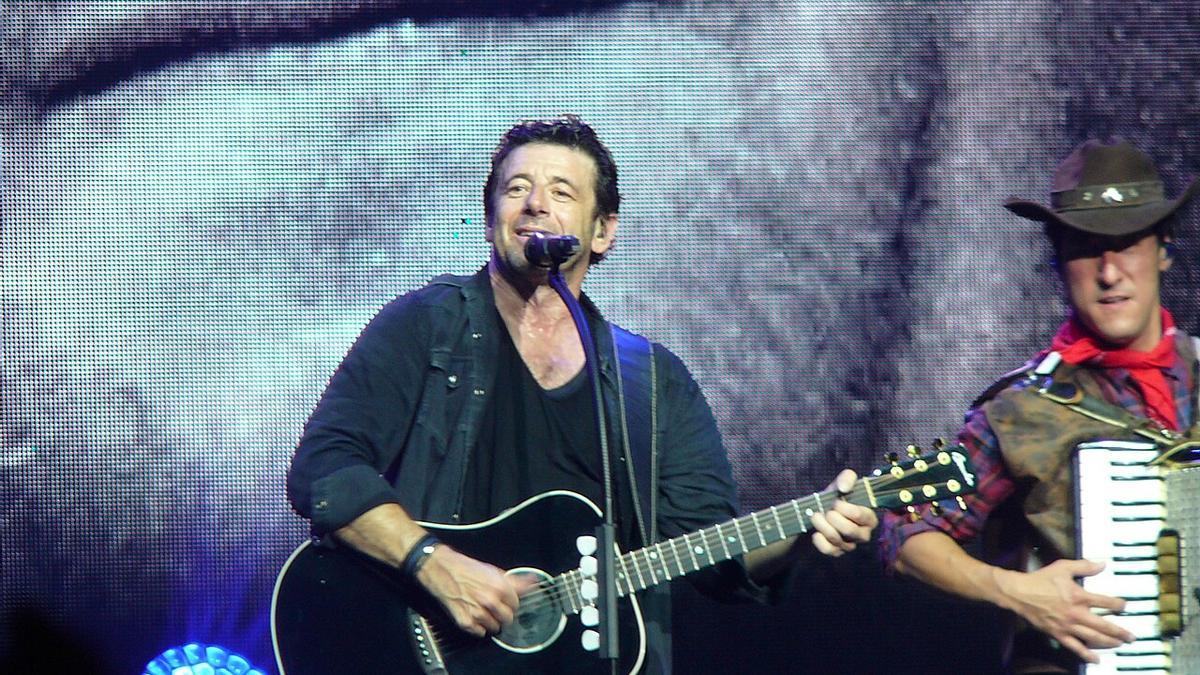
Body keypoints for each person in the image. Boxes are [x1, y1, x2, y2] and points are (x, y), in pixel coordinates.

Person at [286, 115, 878, 672]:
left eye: (561, 192)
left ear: (602, 232)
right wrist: (432, 564)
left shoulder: (653, 384)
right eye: (517, 187)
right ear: (492, 216)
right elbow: (325, 468)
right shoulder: (428, 325)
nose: (535, 203)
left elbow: (713, 552)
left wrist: (804, 529)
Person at [880, 138, 1198, 673]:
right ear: (1057, 260)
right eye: (1085, 246)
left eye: (1128, 243)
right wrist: (1015, 591)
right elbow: (904, 531)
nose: (1110, 272)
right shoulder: (1021, 410)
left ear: (1164, 248)